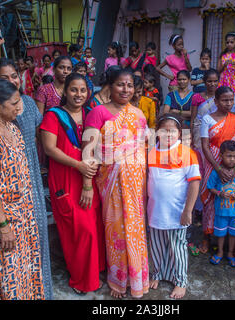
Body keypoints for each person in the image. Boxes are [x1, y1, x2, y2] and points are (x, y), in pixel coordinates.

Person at [0, 58, 53, 299]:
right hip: (1, 218)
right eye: (14, 103)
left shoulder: (13, 129)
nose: (20, 108)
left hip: (22, 214)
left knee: (20, 271)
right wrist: (4, 226)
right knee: (1, 274)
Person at [83, 68, 149, 299]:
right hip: (110, 182)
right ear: (109, 86)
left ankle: (138, 278)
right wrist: (87, 185)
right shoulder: (98, 113)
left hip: (135, 183)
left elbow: (142, 150)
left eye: (130, 85)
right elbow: (89, 152)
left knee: (136, 230)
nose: (126, 90)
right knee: (116, 231)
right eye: (120, 84)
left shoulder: (139, 114)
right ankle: (118, 278)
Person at [40, 73, 105, 295]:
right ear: (64, 92)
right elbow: (50, 149)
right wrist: (78, 165)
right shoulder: (53, 116)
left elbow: (98, 146)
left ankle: (96, 269)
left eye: (83, 90)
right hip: (66, 178)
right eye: (74, 90)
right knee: (79, 229)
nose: (79, 95)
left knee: (94, 225)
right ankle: (82, 280)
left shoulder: (90, 114)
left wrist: (89, 169)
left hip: (89, 176)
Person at [147, 114, 201, 299]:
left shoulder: (187, 153)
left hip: (176, 213)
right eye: (163, 130)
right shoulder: (152, 151)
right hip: (155, 212)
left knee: (177, 248)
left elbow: (194, 183)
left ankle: (180, 281)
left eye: (172, 131)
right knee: (156, 246)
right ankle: (157, 274)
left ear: (179, 133)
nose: (168, 134)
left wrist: (188, 211)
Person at [199, 86, 235, 253]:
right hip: (212, 162)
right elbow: (205, 146)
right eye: (224, 100)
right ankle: (207, 237)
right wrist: (218, 168)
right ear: (216, 101)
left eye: (231, 100)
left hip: (234, 164)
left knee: (234, 198)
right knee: (210, 199)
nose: (228, 103)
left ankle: (233, 240)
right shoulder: (207, 119)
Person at [208, 140, 235, 267]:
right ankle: (220, 252)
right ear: (221, 156)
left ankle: (230, 253)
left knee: (233, 233)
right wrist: (219, 193)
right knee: (220, 232)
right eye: (229, 156)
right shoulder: (216, 172)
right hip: (221, 212)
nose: (232, 160)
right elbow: (210, 187)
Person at [191, 69, 220, 152]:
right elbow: (193, 118)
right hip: (199, 132)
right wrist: (191, 135)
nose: (212, 84)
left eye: (215, 81)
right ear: (204, 81)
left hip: (216, 131)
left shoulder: (221, 97)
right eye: (209, 81)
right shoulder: (197, 97)